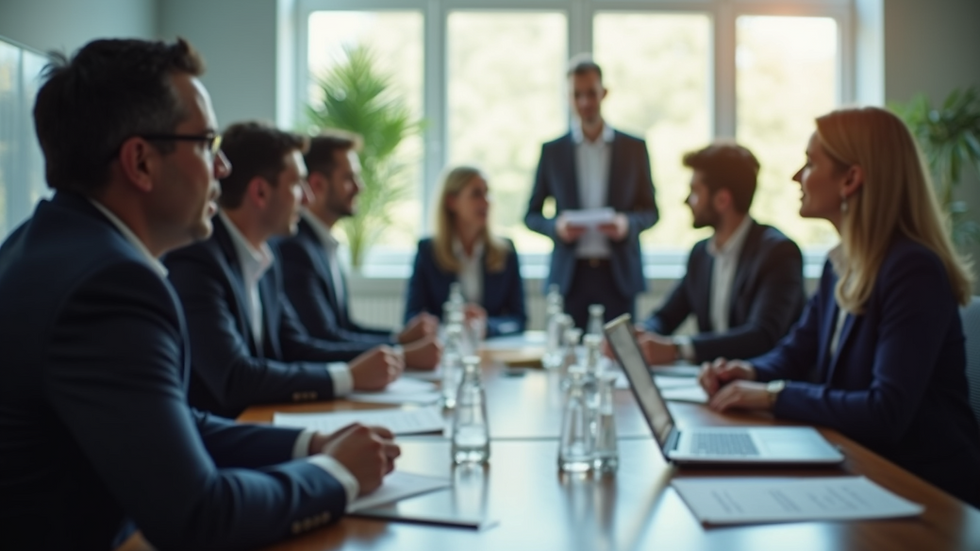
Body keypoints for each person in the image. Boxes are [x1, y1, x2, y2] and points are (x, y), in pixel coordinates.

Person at [0, 38, 398, 551]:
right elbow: (199, 515)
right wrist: (337, 475)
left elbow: (168, 426)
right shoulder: (108, 285)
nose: (223, 168)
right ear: (141, 162)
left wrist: (313, 444)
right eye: (207, 144)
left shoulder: (48, 243)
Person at [698, 107, 980, 507]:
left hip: (924, 489)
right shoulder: (840, 265)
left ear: (851, 179)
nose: (797, 176)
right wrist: (747, 372)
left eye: (811, 163)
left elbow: (885, 411)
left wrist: (771, 396)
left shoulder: (912, 270)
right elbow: (797, 352)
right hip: (859, 466)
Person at [165, 121, 403, 419]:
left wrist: (382, 360)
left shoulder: (267, 258)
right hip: (224, 435)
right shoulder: (197, 261)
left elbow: (296, 348)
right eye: (297, 184)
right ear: (260, 192)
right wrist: (348, 377)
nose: (307, 198)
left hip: (262, 421)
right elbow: (235, 378)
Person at [278, 132, 441, 365]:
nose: (359, 187)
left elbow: (346, 327)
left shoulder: (323, 244)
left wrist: (399, 338)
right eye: (349, 178)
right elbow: (323, 338)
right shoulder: (295, 249)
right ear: (317, 184)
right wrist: (402, 349)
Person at [636, 143, 805, 364]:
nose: (687, 201)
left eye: (695, 192)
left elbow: (762, 336)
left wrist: (679, 349)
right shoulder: (701, 254)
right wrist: (642, 333)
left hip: (759, 380)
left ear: (722, 200)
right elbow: (666, 316)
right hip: (713, 378)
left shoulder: (778, 253)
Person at [525, 55, 658, 330]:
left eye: (591, 93)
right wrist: (557, 227)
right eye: (577, 95)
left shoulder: (633, 148)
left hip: (618, 274)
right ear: (568, 97)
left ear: (604, 93)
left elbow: (651, 211)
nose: (585, 102)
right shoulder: (553, 151)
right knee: (567, 348)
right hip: (571, 275)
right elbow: (531, 215)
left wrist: (626, 224)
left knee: (621, 349)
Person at [405, 166, 527, 337]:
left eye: (487, 193)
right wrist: (441, 325)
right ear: (451, 201)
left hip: (490, 348)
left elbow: (519, 320)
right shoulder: (428, 251)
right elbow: (411, 318)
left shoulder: (505, 251)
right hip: (446, 347)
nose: (486, 202)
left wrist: (486, 326)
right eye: (476, 194)